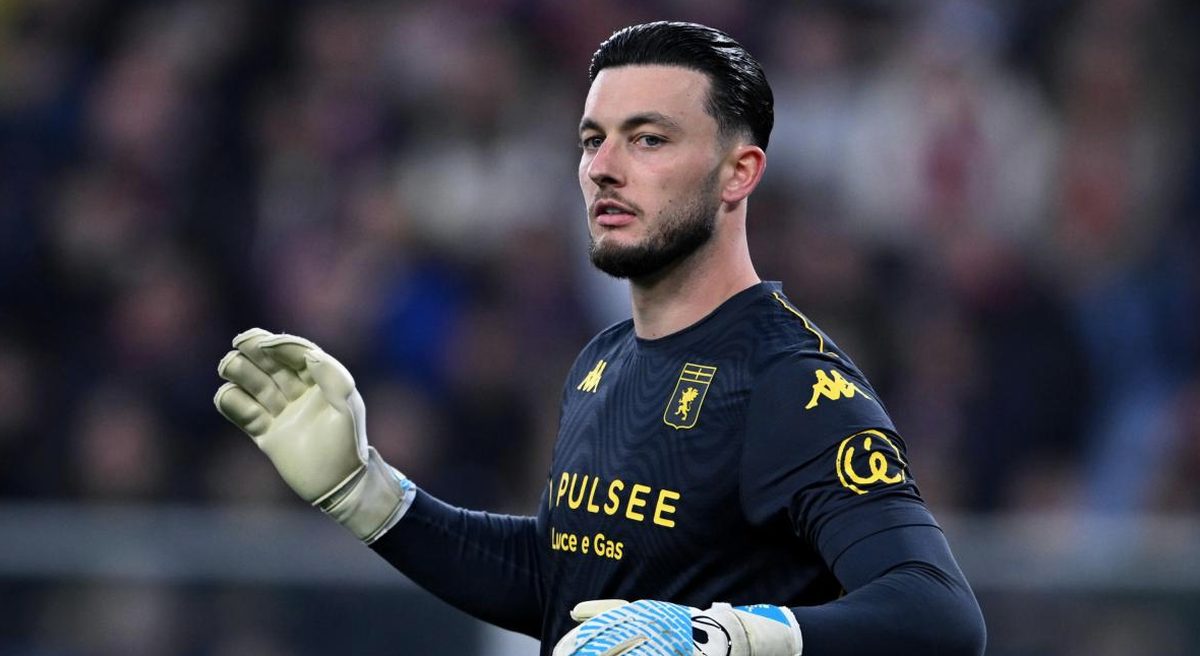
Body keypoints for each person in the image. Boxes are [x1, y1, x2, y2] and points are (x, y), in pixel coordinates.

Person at [214, 21, 986, 656]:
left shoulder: (791, 381)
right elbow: (562, 584)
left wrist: (726, 639)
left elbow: (939, 614)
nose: (603, 169)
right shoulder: (603, 361)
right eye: (592, 140)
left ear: (739, 173)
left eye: (647, 140)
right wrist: (367, 493)